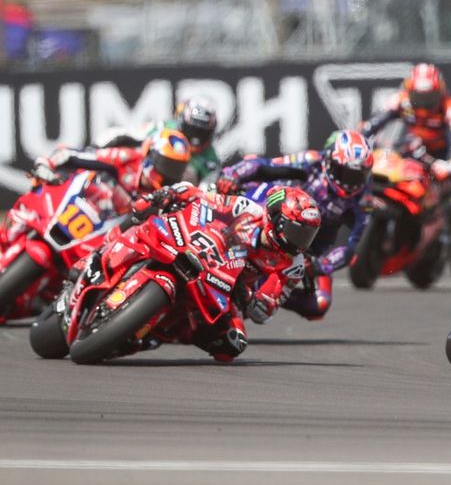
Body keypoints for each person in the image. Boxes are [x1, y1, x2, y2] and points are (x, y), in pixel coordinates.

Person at [87, 182, 321, 362]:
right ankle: (100, 256)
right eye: (297, 232)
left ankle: (158, 333)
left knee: (232, 344)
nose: (300, 242)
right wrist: (172, 193)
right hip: (198, 246)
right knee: (144, 211)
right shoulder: (246, 209)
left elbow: (266, 311)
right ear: (276, 219)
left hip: (227, 288)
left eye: (307, 236)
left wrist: (247, 297)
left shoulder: (293, 266)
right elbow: (203, 197)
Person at [214, 130, 373, 320]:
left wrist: (321, 265)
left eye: (358, 176)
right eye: (344, 173)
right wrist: (232, 175)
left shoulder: (363, 196)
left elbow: (352, 245)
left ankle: (262, 295)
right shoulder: (311, 161)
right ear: (330, 162)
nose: (350, 183)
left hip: (306, 248)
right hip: (270, 213)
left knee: (319, 304)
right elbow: (262, 164)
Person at [31, 128, 192, 211]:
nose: (168, 172)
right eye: (166, 164)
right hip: (87, 209)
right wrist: (46, 163)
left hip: (110, 240)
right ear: (149, 153)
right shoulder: (126, 158)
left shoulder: (170, 195)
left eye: (175, 168)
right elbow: (74, 155)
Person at [358, 63, 451, 178]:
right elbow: (374, 122)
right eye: (418, 97)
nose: (423, 103)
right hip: (414, 153)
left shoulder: (449, 107)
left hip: (441, 156)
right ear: (409, 91)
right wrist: (360, 141)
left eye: (429, 97)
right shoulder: (400, 100)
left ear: (440, 92)